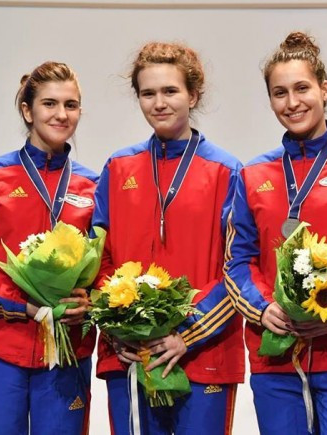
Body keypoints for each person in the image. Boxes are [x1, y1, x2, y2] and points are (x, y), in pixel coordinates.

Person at [224, 32, 327, 435]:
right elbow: (237, 261)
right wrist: (263, 308)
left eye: (302, 88)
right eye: (279, 93)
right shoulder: (252, 175)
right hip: (276, 359)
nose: (292, 102)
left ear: (324, 89)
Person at [92, 41, 244, 435]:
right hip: (130, 353)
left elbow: (238, 266)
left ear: (193, 95)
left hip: (205, 353)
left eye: (170, 91)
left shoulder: (227, 171)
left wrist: (187, 333)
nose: (159, 103)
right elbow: (98, 259)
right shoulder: (118, 167)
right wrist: (119, 325)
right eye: (148, 93)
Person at [0, 61, 97, 434]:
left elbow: (106, 267)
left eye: (71, 105)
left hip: (67, 353)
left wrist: (88, 302)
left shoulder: (94, 185)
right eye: (49, 103)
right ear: (27, 111)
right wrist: (18, 306)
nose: (61, 114)